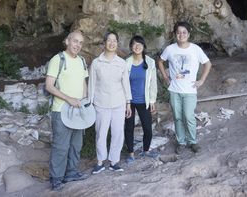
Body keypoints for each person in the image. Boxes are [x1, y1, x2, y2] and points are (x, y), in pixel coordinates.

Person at [158, 21, 212, 154]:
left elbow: (208, 64)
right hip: (174, 90)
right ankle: (181, 142)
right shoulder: (170, 49)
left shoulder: (195, 49)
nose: (181, 35)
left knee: (188, 116)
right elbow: (160, 61)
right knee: (177, 117)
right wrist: (165, 77)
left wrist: (201, 80)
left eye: (184, 32)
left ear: (188, 34)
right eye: (178, 32)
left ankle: (193, 141)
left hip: (190, 90)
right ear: (175, 34)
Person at [45, 31, 89, 191]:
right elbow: (49, 86)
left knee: (76, 145)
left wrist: (85, 99)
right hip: (61, 110)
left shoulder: (82, 61)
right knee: (60, 146)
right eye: (75, 41)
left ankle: (71, 173)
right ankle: (56, 178)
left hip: (78, 110)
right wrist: (69, 98)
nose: (78, 45)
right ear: (67, 41)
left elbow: (84, 83)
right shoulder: (58, 59)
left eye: (81, 43)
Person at [89, 31, 132, 173]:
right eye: (109, 40)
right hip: (101, 103)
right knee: (101, 133)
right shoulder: (96, 63)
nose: (112, 43)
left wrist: (128, 103)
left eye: (114, 41)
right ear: (104, 43)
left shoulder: (121, 63)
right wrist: (90, 103)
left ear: (117, 44)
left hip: (119, 104)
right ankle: (100, 162)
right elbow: (92, 84)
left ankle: (114, 162)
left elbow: (126, 84)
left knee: (118, 132)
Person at [124, 35, 158, 163]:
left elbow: (153, 83)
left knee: (147, 128)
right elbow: (123, 83)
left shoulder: (150, 62)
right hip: (129, 101)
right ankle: (131, 153)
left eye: (140, 44)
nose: (137, 46)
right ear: (131, 47)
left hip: (145, 100)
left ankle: (146, 150)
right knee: (129, 127)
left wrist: (152, 101)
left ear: (143, 46)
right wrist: (125, 101)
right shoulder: (126, 62)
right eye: (134, 44)